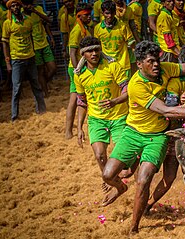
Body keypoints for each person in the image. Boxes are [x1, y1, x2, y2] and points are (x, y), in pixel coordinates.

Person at [101, 41, 185, 233]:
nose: (156, 65)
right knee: (107, 175)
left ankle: (134, 227)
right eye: (150, 62)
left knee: (144, 179)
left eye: (158, 61)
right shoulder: (136, 85)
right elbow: (165, 110)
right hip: (133, 132)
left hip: (158, 136)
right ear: (139, 64)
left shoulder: (165, 70)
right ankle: (120, 188)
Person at [146, 42, 185, 213]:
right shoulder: (175, 82)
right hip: (177, 136)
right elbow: (170, 108)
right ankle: (147, 205)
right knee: (170, 176)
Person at [75, 36, 129, 193]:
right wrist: (79, 128)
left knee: (124, 157)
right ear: (83, 54)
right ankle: (113, 181)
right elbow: (81, 102)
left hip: (119, 116)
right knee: (99, 155)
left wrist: (116, 101)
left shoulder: (113, 66)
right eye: (89, 51)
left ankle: (114, 176)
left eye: (96, 50)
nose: (94, 53)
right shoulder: (79, 74)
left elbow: (127, 90)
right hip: (96, 120)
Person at [2, 0, 46, 122]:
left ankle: (42, 109)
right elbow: (5, 43)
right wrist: (7, 62)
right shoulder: (8, 23)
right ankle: (14, 116)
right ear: (10, 9)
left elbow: (31, 37)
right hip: (16, 58)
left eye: (17, 5)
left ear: (20, 7)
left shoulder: (28, 20)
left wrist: (34, 52)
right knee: (17, 88)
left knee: (36, 84)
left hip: (30, 56)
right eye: (13, 6)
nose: (15, 8)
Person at [65, 3, 92, 139]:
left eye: (89, 14)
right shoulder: (76, 30)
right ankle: (68, 131)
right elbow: (72, 52)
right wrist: (78, 71)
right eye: (86, 15)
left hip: (81, 67)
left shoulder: (85, 28)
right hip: (76, 68)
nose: (89, 17)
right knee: (74, 99)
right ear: (79, 16)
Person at [22, 0, 57, 98]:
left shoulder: (38, 9)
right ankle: (46, 93)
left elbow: (48, 22)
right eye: (25, 4)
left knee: (53, 68)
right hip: (34, 47)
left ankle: (44, 83)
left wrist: (51, 37)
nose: (28, 6)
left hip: (45, 43)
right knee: (40, 71)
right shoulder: (21, 15)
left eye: (29, 3)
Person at [94, 0, 133, 77]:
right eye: (107, 13)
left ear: (115, 12)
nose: (110, 16)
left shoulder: (123, 26)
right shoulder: (97, 28)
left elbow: (132, 44)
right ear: (102, 13)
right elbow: (98, 47)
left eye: (112, 13)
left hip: (123, 65)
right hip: (108, 66)